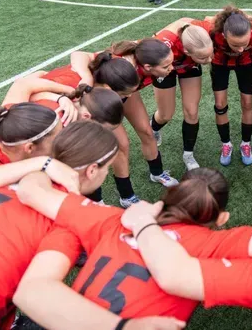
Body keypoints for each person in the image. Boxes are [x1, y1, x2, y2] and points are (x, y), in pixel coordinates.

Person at [11, 168, 252, 326]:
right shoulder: (217, 245)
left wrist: (50, 166)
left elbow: (30, 188)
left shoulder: (111, 220)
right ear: (221, 218)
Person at [0, 121, 119, 330]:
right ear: (92, 170)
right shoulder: (68, 219)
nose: (106, 174)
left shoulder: (5, 178)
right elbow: (34, 293)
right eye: (108, 168)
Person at [71, 39, 179, 206]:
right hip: (103, 101)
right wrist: (85, 76)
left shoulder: (144, 53)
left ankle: (157, 172)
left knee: (146, 130)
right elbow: (78, 54)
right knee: (121, 145)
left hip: (124, 91)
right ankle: (126, 196)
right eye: (166, 67)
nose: (170, 69)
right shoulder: (116, 60)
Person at [206, 6, 252, 166]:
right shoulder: (212, 31)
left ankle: (246, 144)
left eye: (244, 44)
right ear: (224, 34)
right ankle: (226, 144)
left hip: (246, 64)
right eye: (235, 45)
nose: (241, 49)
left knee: (247, 103)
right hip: (219, 64)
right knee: (220, 104)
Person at [150, 18, 213, 172]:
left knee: (192, 111)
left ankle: (188, 154)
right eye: (204, 58)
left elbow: (223, 17)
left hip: (189, 65)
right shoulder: (162, 46)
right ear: (186, 51)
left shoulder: (205, 30)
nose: (209, 60)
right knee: (165, 114)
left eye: (210, 55)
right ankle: (153, 128)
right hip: (164, 66)